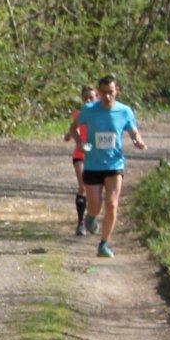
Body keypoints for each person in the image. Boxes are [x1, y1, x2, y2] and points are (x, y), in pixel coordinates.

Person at [64, 75, 146, 258]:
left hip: (114, 164)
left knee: (112, 203)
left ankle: (104, 244)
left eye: (111, 92)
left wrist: (137, 140)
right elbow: (73, 128)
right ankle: (91, 217)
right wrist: (79, 143)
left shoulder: (124, 111)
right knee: (95, 206)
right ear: (99, 92)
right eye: (104, 93)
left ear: (117, 91)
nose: (108, 97)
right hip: (92, 165)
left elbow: (133, 130)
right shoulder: (89, 110)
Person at [64, 84, 98, 235]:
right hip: (80, 155)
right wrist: (69, 135)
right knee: (83, 186)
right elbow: (74, 128)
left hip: (97, 156)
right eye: (85, 98)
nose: (88, 100)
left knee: (95, 190)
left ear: (97, 97)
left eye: (91, 97)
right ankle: (81, 223)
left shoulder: (102, 113)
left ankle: (92, 217)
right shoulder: (79, 114)